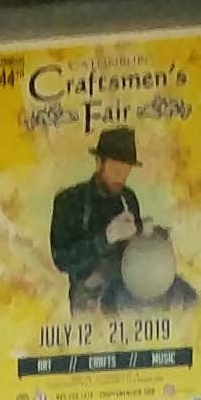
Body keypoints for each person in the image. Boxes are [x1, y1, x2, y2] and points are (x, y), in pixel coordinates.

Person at [49, 126, 147, 309]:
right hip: (89, 302)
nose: (121, 177)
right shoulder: (70, 201)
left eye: (126, 170)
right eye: (116, 169)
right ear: (98, 162)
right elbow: (61, 259)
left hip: (128, 297)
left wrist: (144, 239)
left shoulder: (128, 198)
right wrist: (105, 238)